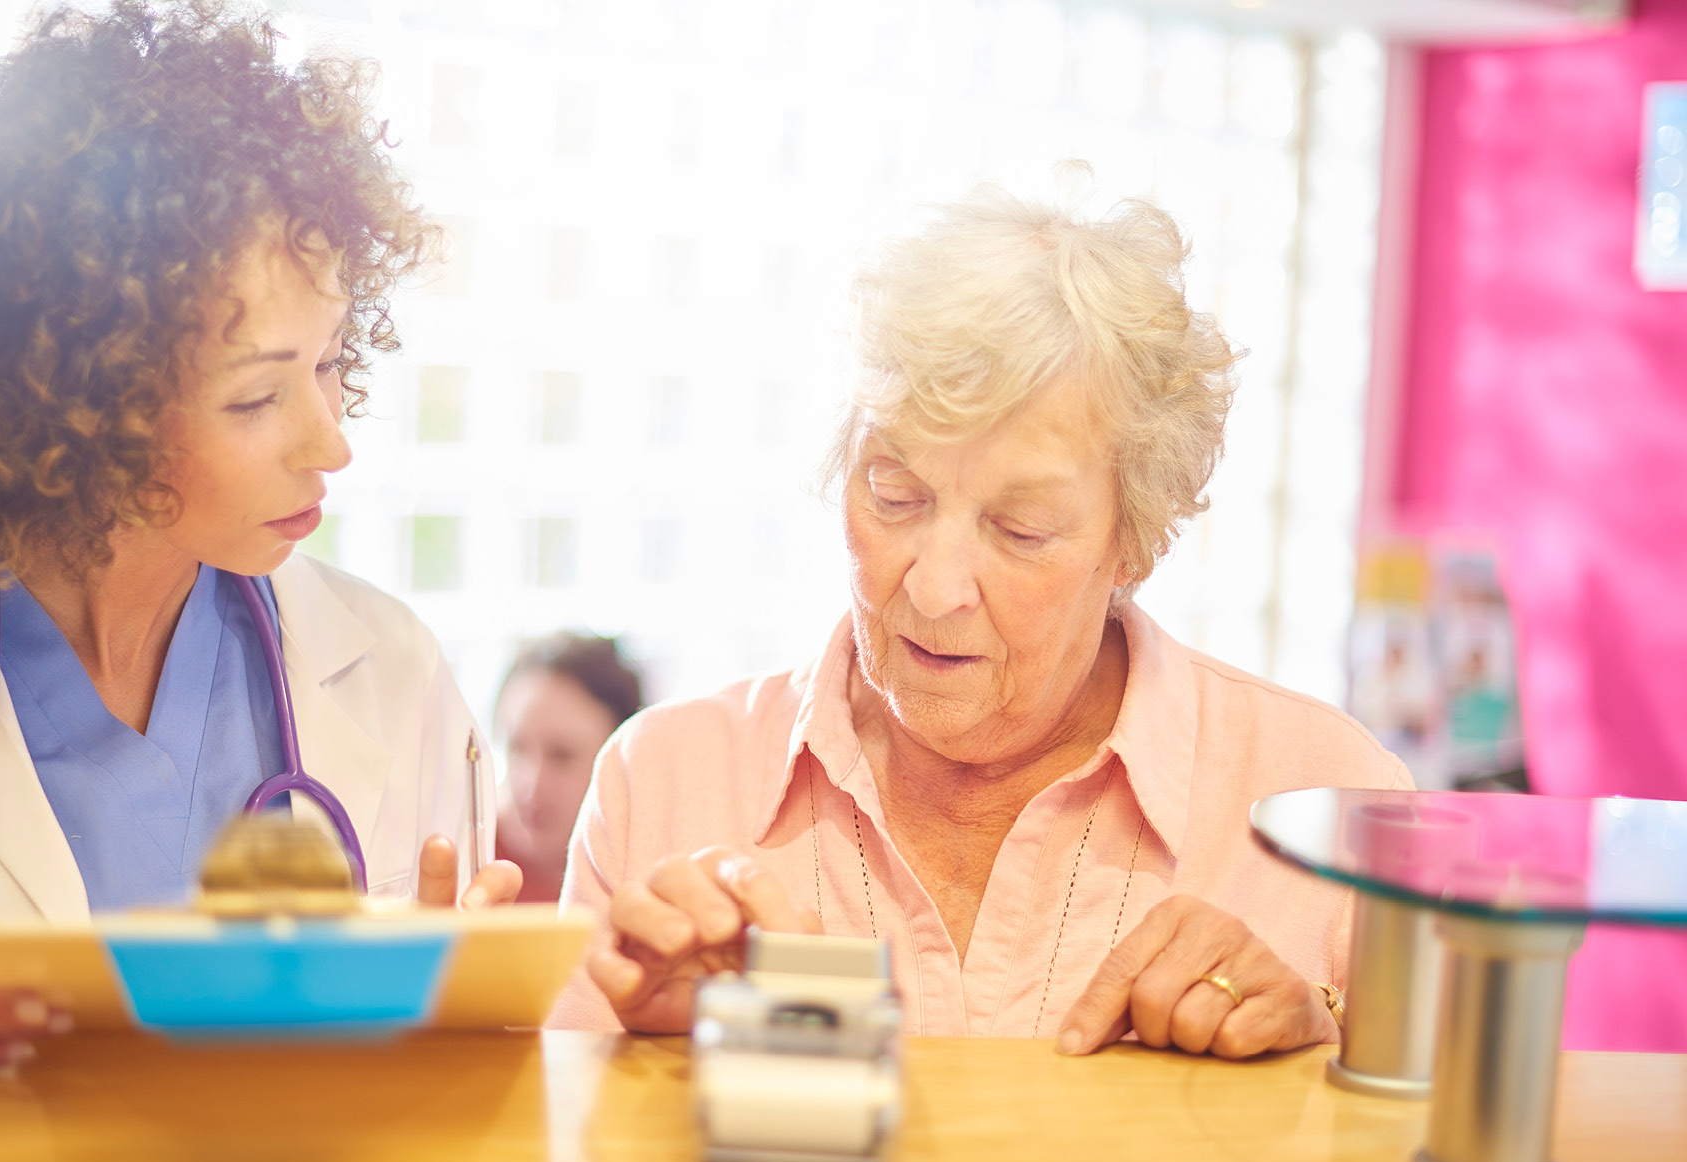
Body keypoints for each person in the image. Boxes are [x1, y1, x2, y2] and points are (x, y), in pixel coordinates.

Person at [549, 179, 1412, 1056]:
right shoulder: (661, 782)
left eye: (1019, 529)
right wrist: (641, 1070)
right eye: (894, 494)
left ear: (1135, 541)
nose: (934, 588)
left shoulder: (1335, 803)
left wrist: (1325, 1048)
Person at [0, 0, 521, 1078]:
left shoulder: (389, 670)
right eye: (257, 396)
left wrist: (471, 1008)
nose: (332, 444)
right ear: (78, 405)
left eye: (329, 364)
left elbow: (474, 1079)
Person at [493, 634, 644, 904]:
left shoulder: (645, 877)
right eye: (517, 748)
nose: (530, 784)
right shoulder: (461, 866)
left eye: (562, 756)